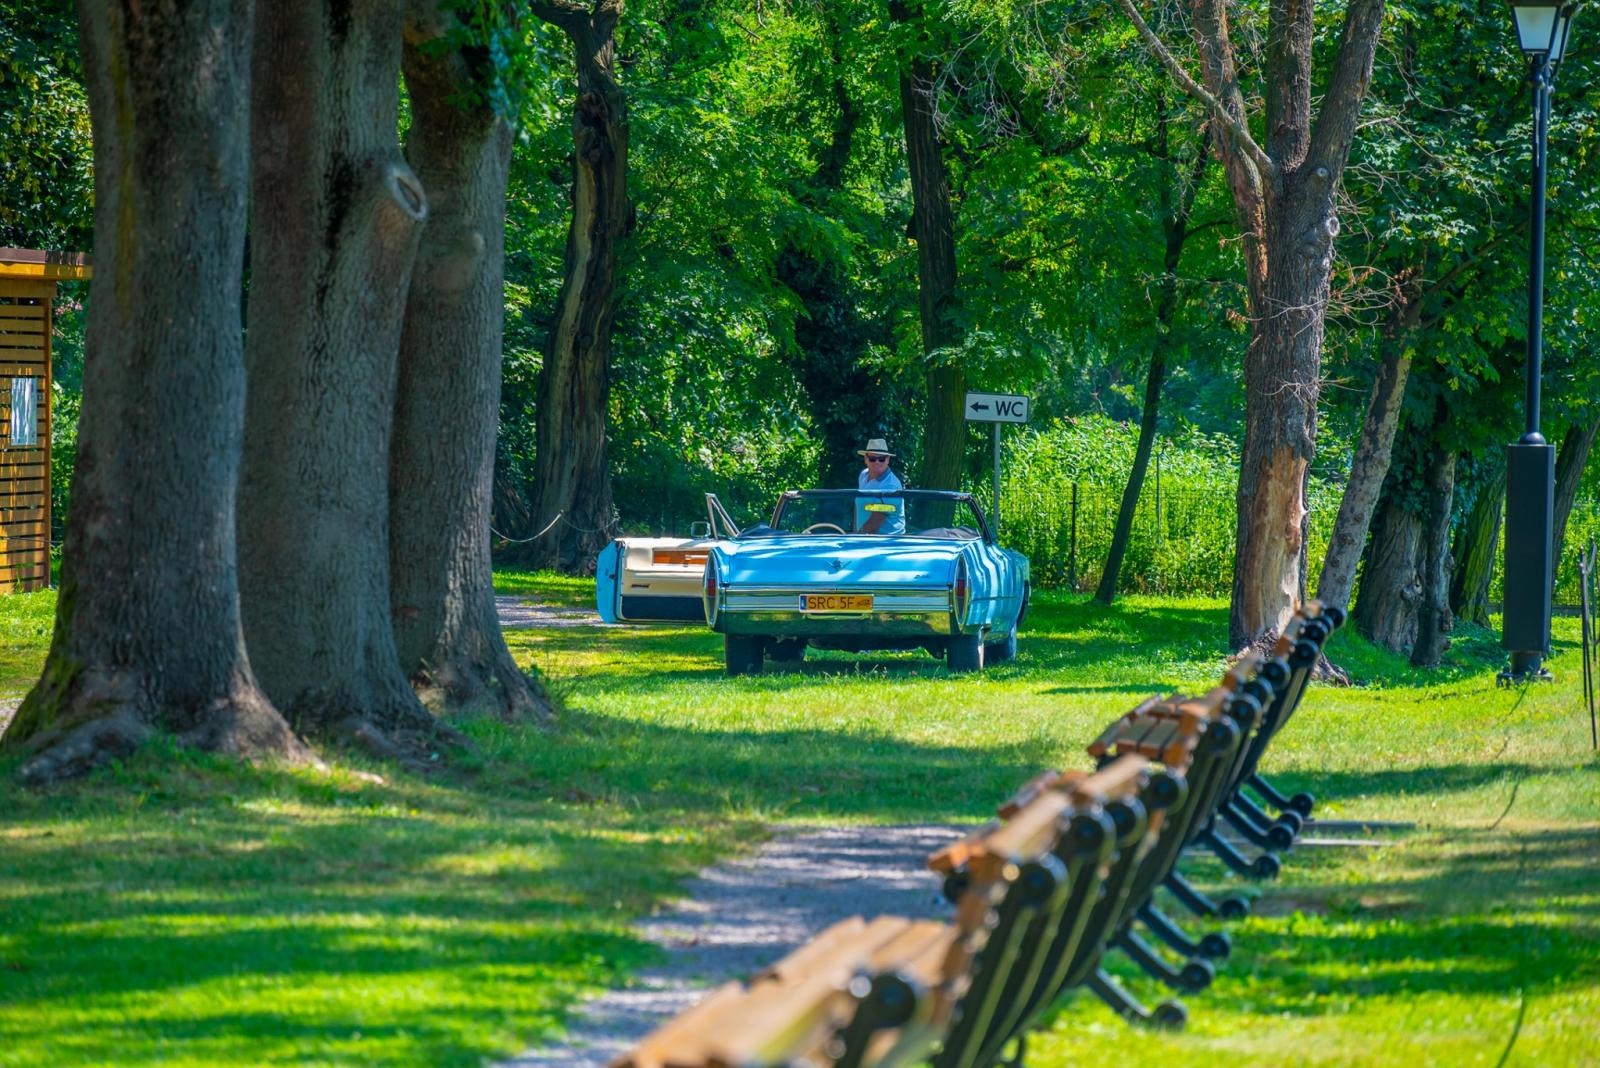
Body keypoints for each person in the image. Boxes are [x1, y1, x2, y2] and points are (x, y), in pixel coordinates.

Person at [855, 438, 905, 534]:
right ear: (866, 459)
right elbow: (858, 509)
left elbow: (874, 523)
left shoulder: (891, 486)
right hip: (865, 537)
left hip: (888, 542)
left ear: (888, 460)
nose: (877, 462)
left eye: (881, 459)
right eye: (872, 459)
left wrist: (854, 539)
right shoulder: (863, 475)